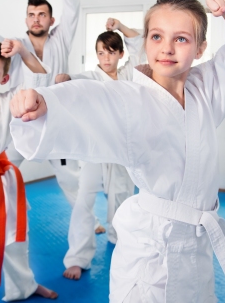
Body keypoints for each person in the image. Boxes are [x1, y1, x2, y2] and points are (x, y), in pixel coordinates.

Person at [9, 0, 225, 302]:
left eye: (182, 39)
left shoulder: (207, 88)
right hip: (151, 253)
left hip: (197, 251)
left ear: (201, 48)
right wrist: (43, 104)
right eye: (157, 36)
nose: (166, 48)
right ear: (145, 41)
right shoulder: (129, 99)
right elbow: (87, 99)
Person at [56, 17, 144, 280]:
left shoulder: (130, 73)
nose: (105, 57)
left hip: (122, 145)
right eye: (100, 52)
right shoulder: (91, 76)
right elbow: (73, 80)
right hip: (94, 146)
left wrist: (119, 26)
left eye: (110, 52)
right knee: (85, 197)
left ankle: (120, 240)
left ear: (120, 54)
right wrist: (65, 77)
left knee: (122, 196)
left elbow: (139, 44)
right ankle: (78, 257)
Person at [5, 0, 81, 213]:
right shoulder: (16, 45)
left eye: (42, 15)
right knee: (2, 170)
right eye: (31, 15)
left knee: (70, 178)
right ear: (26, 19)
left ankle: (88, 221)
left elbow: (73, 4)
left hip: (54, 119)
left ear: (52, 19)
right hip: (20, 121)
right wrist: (6, 49)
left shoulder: (61, 39)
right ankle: (7, 217)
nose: (36, 19)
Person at [0, 40, 57, 301]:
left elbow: (39, 80)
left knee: (14, 240)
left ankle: (23, 287)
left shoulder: (5, 102)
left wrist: (22, 51)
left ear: (4, 79)